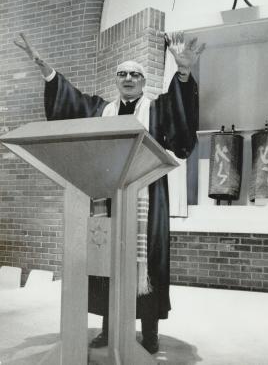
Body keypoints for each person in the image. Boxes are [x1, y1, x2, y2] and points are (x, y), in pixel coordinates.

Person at [14, 32, 205, 354]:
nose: (128, 78)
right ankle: (107, 325)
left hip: (147, 195)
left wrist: (183, 74)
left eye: (135, 74)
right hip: (106, 198)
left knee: (147, 262)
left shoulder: (157, 109)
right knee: (105, 259)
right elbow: (68, 100)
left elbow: (182, 122)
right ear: (115, 80)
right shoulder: (99, 109)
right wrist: (46, 70)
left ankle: (149, 330)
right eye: (122, 74)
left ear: (144, 81)